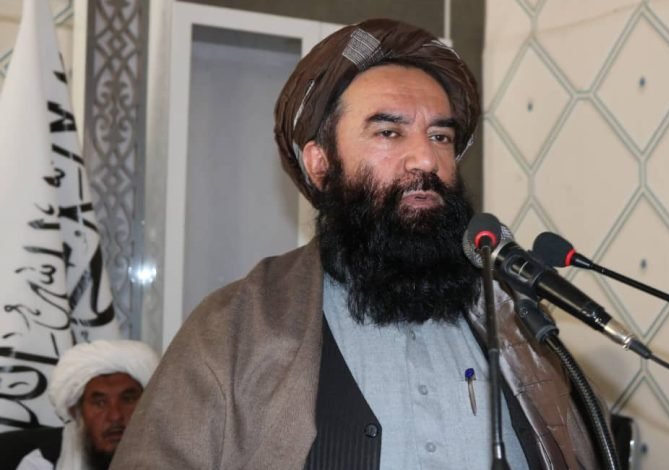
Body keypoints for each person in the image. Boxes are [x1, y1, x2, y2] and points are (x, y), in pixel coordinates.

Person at [111, 18, 600, 469]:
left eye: (440, 136)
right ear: (320, 164)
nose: (425, 159)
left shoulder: (511, 318)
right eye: (389, 132)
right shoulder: (236, 327)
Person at [14, 340, 158, 470]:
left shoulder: (169, 456)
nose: (115, 415)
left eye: (128, 399)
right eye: (100, 403)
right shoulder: (42, 464)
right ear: (76, 412)